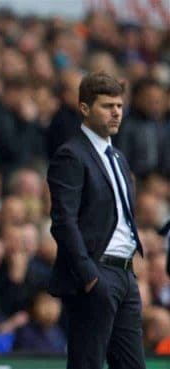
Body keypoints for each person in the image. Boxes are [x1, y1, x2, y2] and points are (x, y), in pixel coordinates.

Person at [47, 71, 145, 369]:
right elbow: (63, 220)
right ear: (85, 108)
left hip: (125, 275)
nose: (116, 112)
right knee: (86, 363)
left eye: (119, 105)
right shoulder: (71, 155)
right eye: (107, 106)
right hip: (97, 273)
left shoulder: (117, 157)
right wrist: (89, 275)